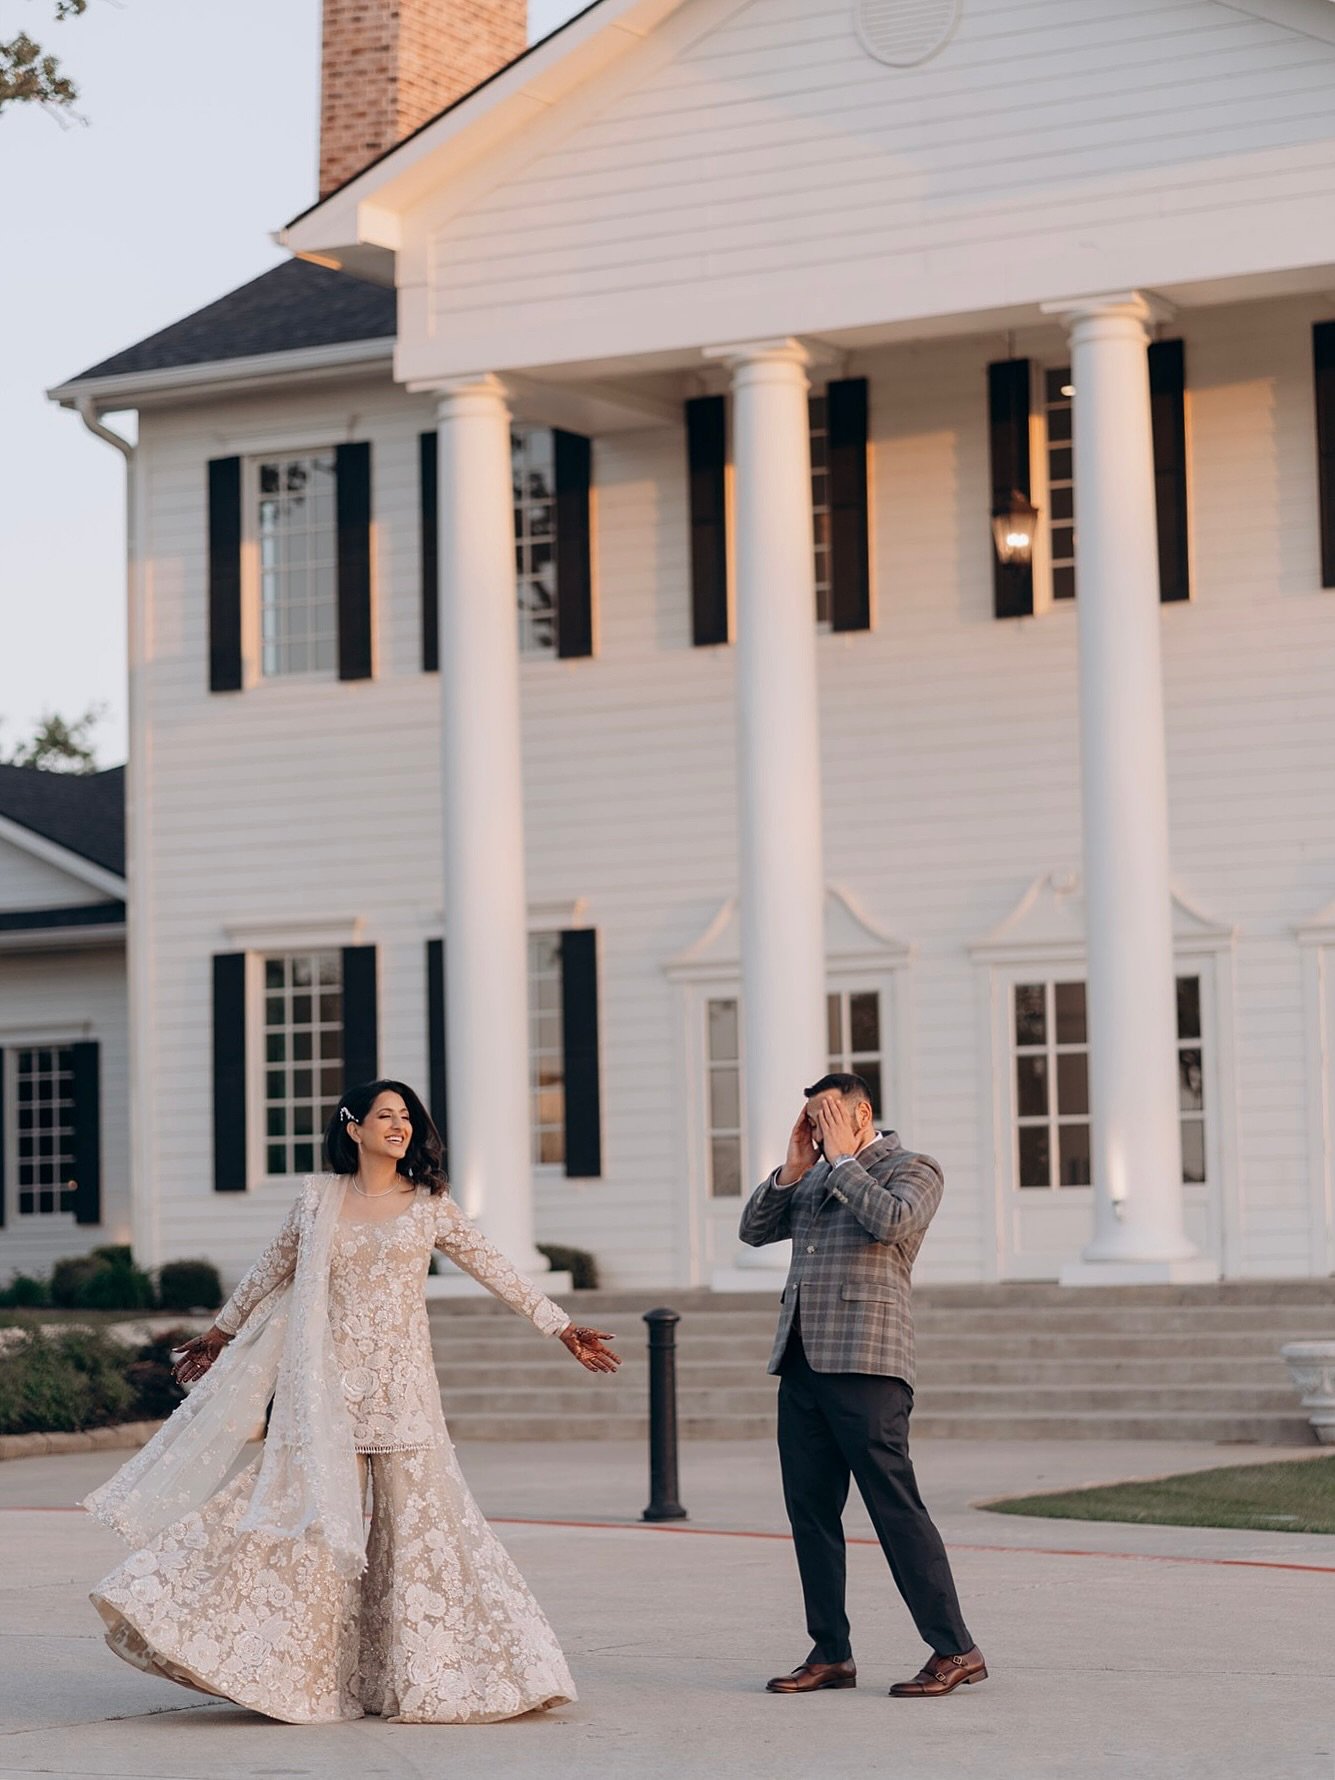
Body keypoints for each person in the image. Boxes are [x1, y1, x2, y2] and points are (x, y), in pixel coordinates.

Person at [83, 1078, 619, 1725]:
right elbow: (268, 1271)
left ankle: (443, 1676)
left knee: (421, 1535)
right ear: (353, 1127)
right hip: (326, 1392)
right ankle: (279, 1670)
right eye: (385, 1116)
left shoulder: (430, 1204)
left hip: (404, 1393)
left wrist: (560, 1327)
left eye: (407, 1119)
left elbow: (497, 1269)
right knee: (308, 1531)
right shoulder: (317, 1200)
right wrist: (220, 1335)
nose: (399, 1127)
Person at [739, 1073, 986, 1699]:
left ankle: (956, 1649)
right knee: (810, 1513)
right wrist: (794, 1167)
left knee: (894, 1507)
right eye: (811, 1123)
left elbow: (893, 1223)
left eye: (824, 1118)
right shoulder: (816, 1174)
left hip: (869, 1363)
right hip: (801, 1362)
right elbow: (755, 1230)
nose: (817, 1132)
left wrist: (843, 1159)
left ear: (861, 1112)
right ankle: (831, 1654)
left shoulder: (913, 1168)